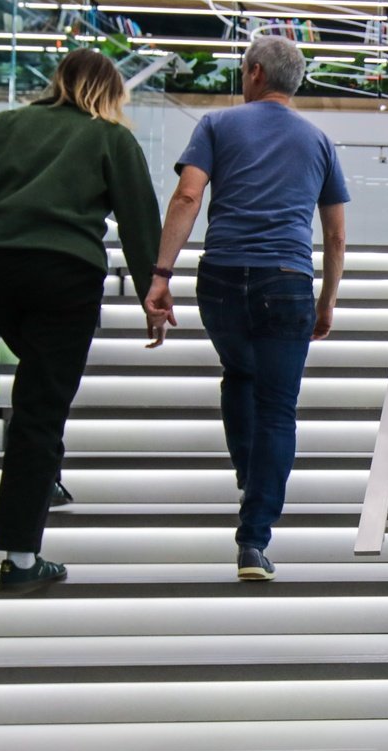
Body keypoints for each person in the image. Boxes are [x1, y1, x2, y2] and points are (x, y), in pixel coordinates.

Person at [0, 49, 162, 593]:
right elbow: (140, 220)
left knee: (41, 384)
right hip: (64, 277)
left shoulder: (2, 126)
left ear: (59, 80)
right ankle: (21, 558)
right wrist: (154, 292)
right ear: (109, 92)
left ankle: (43, 476)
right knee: (41, 408)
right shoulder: (111, 138)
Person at [145, 33, 348, 581]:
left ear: (256, 72)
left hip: (221, 278)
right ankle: (253, 542)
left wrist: (162, 275)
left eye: (243, 69)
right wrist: (327, 301)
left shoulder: (216, 124)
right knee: (278, 408)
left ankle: (249, 477)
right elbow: (335, 237)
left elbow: (188, 196)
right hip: (286, 281)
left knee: (238, 374)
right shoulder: (319, 141)